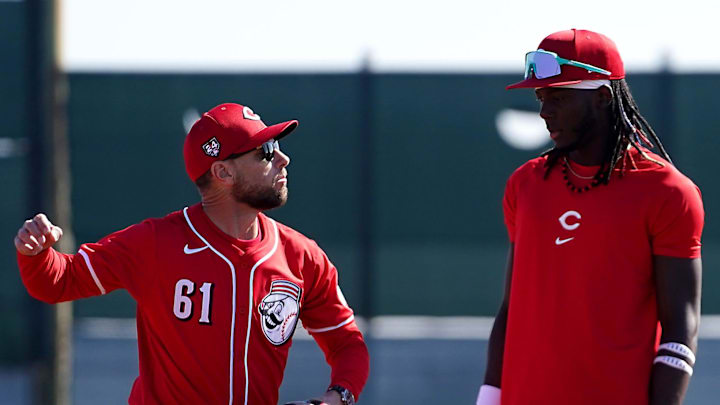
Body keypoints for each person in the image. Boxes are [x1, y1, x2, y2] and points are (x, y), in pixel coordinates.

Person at [15, 103, 369, 405]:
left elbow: (347, 344)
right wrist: (37, 253)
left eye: (275, 145)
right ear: (222, 171)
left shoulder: (302, 256)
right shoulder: (155, 243)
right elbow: (58, 282)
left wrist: (338, 397)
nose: (282, 158)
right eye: (265, 151)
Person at [475, 29, 704, 405]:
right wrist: (488, 395)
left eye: (558, 98)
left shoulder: (669, 192)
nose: (544, 112)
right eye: (541, 97)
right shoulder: (525, 184)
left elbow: (681, 329)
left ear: (601, 97)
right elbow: (511, 307)